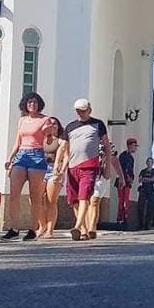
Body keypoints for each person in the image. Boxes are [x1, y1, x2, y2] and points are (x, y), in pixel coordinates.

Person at [56, 98, 112, 241]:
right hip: (72, 167)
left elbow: (106, 146)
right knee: (74, 199)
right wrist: (58, 164)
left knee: (84, 196)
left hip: (90, 166)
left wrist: (108, 168)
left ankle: (77, 225)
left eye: (83, 110)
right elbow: (63, 147)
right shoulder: (70, 127)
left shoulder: (98, 124)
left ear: (89, 110)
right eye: (78, 111)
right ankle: (84, 230)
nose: (80, 113)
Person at [3, 91, 51, 241]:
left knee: (35, 196)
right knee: (14, 193)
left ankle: (32, 229)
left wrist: (49, 133)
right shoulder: (22, 120)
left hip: (36, 155)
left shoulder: (45, 119)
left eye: (35, 102)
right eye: (30, 102)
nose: (32, 105)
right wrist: (10, 158)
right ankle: (13, 227)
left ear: (39, 105)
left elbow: (49, 141)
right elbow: (17, 141)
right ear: (25, 104)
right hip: (21, 155)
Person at [36, 116, 63, 239]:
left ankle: (50, 229)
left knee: (51, 201)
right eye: (50, 123)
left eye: (55, 123)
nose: (52, 125)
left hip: (54, 170)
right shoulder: (40, 139)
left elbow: (66, 156)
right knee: (36, 199)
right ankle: (42, 226)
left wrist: (61, 171)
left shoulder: (61, 140)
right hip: (41, 169)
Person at [116, 136, 137, 225]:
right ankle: (119, 219)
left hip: (128, 182)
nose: (135, 148)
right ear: (129, 146)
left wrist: (131, 179)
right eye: (134, 145)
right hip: (121, 181)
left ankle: (125, 219)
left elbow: (131, 170)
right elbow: (122, 169)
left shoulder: (131, 158)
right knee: (121, 201)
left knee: (126, 201)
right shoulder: (122, 156)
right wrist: (125, 178)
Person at [136, 157, 154, 230]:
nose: (149, 163)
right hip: (143, 189)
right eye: (148, 161)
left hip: (151, 190)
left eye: (150, 162)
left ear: (152, 163)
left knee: (150, 208)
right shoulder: (143, 171)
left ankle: (147, 225)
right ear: (146, 163)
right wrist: (147, 180)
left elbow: (153, 179)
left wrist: (145, 179)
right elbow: (139, 180)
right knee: (140, 206)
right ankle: (140, 224)